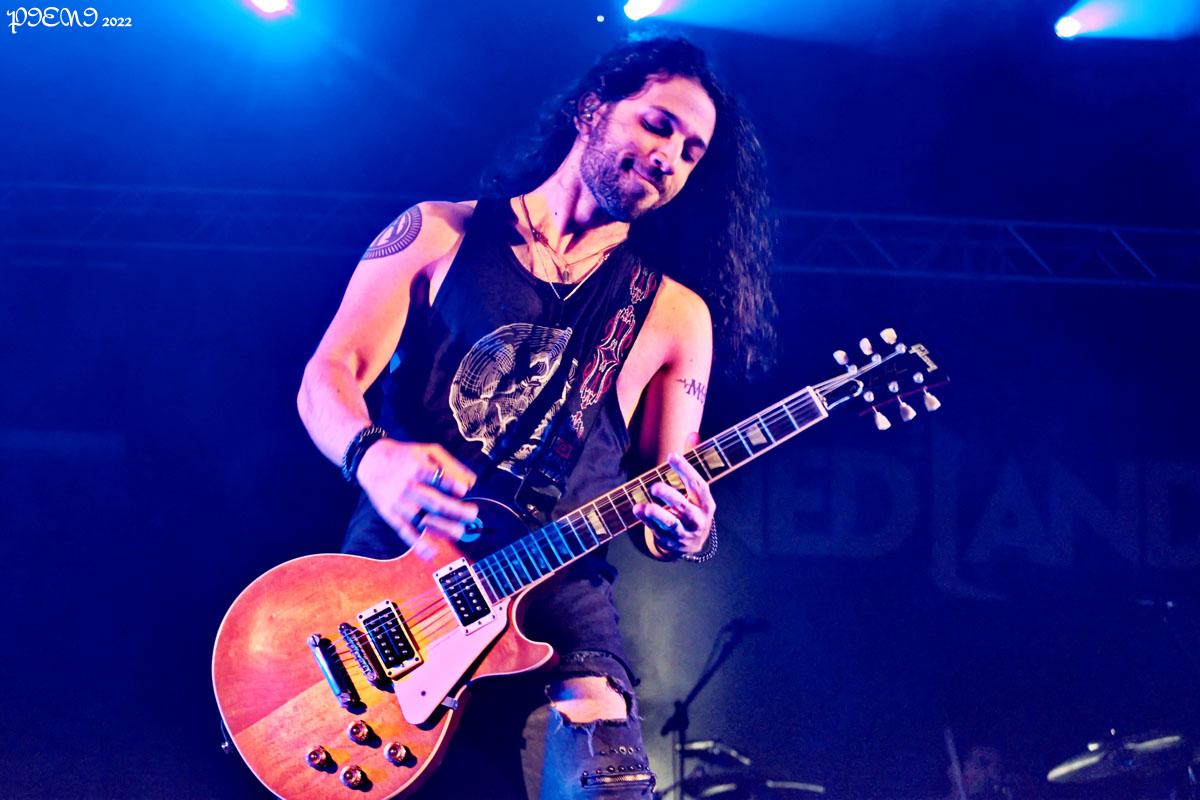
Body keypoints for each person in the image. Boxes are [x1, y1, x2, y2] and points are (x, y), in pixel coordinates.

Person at [296, 36, 775, 799]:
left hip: (561, 609)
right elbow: (326, 377)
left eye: (691, 153)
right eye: (658, 126)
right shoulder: (438, 233)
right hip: (395, 594)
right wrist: (372, 456)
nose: (670, 160)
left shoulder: (675, 315)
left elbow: (665, 497)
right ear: (590, 109)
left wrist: (691, 530)